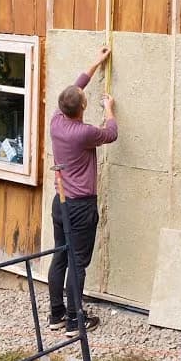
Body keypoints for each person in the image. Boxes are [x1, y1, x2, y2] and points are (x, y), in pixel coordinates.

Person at [48, 46, 116, 336]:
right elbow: (111, 133)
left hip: (60, 202)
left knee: (60, 257)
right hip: (80, 206)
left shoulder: (56, 120)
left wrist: (96, 62)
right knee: (78, 262)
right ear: (83, 108)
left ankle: (56, 315)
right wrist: (110, 109)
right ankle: (76, 322)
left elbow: (76, 86)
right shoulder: (85, 133)